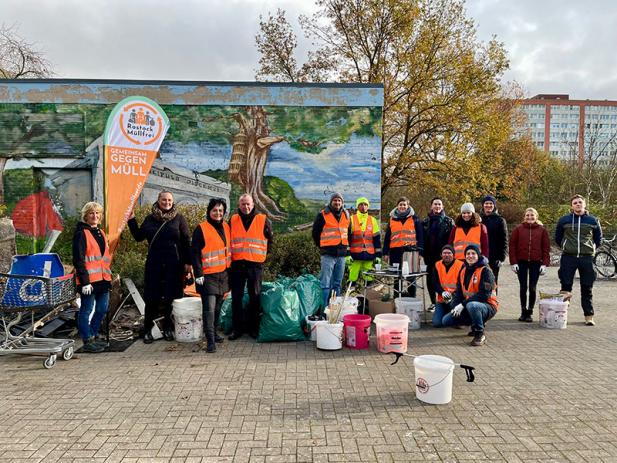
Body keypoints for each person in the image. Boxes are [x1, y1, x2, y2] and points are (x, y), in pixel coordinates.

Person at [128, 191, 191, 343]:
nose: (167, 202)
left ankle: (168, 328)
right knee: (151, 298)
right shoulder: (150, 219)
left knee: (171, 297)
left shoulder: (179, 218)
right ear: (158, 200)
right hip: (154, 264)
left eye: (169, 200)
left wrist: (188, 264)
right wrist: (131, 219)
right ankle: (148, 330)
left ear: (173, 201)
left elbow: (186, 241)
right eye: (164, 200)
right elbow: (138, 236)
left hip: (174, 264)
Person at [228, 194, 273, 340]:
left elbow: (270, 240)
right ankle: (237, 329)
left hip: (255, 265)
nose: (246, 207)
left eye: (248, 204)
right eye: (243, 204)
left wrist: (262, 258)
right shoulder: (233, 220)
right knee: (236, 298)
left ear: (253, 204)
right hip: (237, 264)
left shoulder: (263, 219)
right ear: (238, 205)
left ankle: (254, 329)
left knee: (255, 297)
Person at [555, 194, 602, 326]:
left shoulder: (593, 220)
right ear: (571, 205)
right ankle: (561, 316)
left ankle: (589, 316)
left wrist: (591, 248)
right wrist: (566, 246)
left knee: (587, 288)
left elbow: (598, 239)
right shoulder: (564, 220)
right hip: (568, 257)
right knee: (565, 287)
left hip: (586, 258)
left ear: (584, 204)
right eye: (575, 203)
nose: (578, 204)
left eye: (580, 202)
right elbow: (558, 237)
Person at [191, 198, 230, 353]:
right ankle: (210, 340)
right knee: (209, 309)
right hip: (207, 276)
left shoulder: (226, 227)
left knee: (218, 307)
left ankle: (214, 333)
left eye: (220, 210)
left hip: (223, 274)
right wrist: (198, 273)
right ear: (209, 211)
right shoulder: (201, 228)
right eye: (215, 210)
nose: (218, 213)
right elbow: (194, 253)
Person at [72, 202, 111, 353]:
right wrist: (84, 282)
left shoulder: (101, 232)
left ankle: (93, 335)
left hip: (103, 278)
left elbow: (104, 258)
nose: (95, 216)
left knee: (102, 309)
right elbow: (78, 260)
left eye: (97, 213)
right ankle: (87, 339)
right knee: (86, 310)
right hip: (88, 281)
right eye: (91, 213)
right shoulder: (81, 233)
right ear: (86, 216)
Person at [441, 244, 498, 346]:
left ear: (478, 255)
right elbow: (459, 292)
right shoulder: (463, 270)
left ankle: (480, 333)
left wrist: (462, 304)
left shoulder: (486, 271)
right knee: (446, 320)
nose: (470, 256)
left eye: (473, 253)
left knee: (472, 306)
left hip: (488, 306)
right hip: (470, 305)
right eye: (468, 254)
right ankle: (474, 323)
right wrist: (455, 305)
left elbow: (484, 295)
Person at [509, 208, 550, 322]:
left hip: (536, 262)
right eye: (527, 215)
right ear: (524, 217)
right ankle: (523, 311)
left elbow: (546, 248)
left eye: (532, 215)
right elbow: (512, 246)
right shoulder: (518, 229)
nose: (530, 217)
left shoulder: (542, 230)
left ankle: (529, 312)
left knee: (532, 288)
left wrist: (544, 263)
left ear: (536, 217)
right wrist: (513, 262)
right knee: (523, 287)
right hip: (521, 262)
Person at [312, 192, 350, 307]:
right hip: (328, 254)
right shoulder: (323, 215)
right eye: (335, 200)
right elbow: (315, 233)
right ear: (331, 202)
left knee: (337, 284)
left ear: (342, 203)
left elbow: (350, 232)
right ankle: (323, 309)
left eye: (339, 201)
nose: (337, 202)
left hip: (341, 255)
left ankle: (335, 308)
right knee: (325, 284)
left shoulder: (346, 215)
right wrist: (323, 246)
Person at [383, 197, 424, 297]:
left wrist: (421, 252)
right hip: (395, 251)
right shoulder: (392, 219)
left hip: (411, 252)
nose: (402, 206)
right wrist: (385, 252)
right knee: (396, 276)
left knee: (411, 276)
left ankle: (412, 298)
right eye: (400, 204)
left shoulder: (414, 218)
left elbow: (420, 235)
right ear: (397, 206)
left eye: (404, 204)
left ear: (408, 206)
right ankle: (396, 298)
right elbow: (388, 237)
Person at [422, 197, 454, 308]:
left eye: (439, 204)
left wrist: (450, 254)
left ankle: (446, 302)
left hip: (444, 256)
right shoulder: (425, 222)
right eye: (435, 204)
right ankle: (433, 303)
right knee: (430, 280)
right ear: (431, 206)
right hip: (429, 256)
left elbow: (452, 239)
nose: (437, 206)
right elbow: (423, 240)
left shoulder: (449, 221)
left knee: (444, 280)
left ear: (443, 206)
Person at [347, 197, 381, 288]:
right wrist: (347, 254)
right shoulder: (351, 219)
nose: (363, 206)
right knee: (352, 278)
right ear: (357, 206)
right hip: (355, 256)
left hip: (369, 255)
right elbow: (347, 238)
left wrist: (378, 256)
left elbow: (376, 238)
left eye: (365, 204)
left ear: (368, 206)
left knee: (369, 279)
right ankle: (351, 297)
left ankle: (368, 299)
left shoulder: (372, 220)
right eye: (361, 204)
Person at [431, 245, 464, 327]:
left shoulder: (461, 265)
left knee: (455, 323)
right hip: (442, 300)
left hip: (455, 299)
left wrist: (453, 294)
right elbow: (434, 283)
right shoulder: (437, 265)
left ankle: (458, 317)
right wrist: (442, 292)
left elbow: (463, 284)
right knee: (437, 323)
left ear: (453, 255)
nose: (447, 255)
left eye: (449, 253)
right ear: (441, 255)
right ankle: (448, 314)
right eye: (444, 253)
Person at [480, 195, 508, 286]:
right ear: (483, 205)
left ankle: (492, 299)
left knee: (492, 282)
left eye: (490, 203)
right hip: (480, 255)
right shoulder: (478, 220)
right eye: (486, 203)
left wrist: (502, 258)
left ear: (494, 205)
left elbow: (504, 240)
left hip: (494, 257)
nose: (488, 205)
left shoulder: (500, 220)